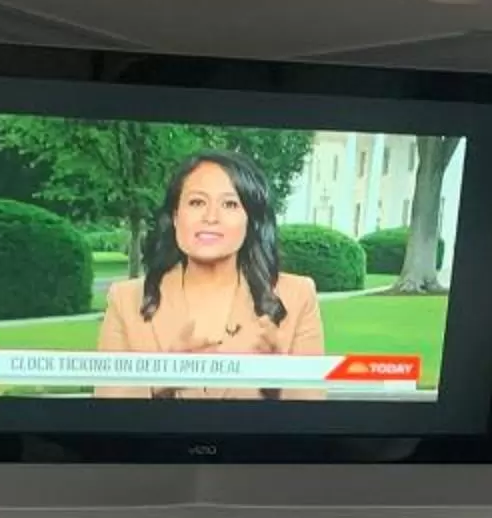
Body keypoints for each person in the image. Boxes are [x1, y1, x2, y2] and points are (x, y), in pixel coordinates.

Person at [95, 151, 324, 398]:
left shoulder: (298, 296)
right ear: (175, 216)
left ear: (250, 220)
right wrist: (161, 380)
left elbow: (312, 421)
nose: (210, 217)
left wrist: (276, 378)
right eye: (197, 202)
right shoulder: (126, 300)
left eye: (229, 204)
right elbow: (106, 417)